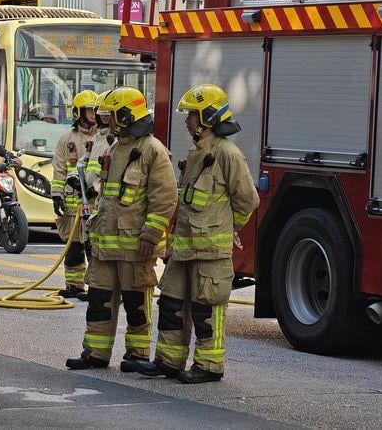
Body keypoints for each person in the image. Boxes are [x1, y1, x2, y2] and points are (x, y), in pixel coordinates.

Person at [133, 84, 259, 384]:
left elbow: (247, 200)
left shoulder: (228, 154)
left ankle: (209, 366)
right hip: (183, 249)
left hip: (210, 253)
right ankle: (168, 361)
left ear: (207, 117)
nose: (187, 121)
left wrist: (229, 227)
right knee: (171, 304)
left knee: (206, 310)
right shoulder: (198, 153)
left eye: (191, 115)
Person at [66, 87, 177, 372]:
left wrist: (151, 236)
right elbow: (107, 198)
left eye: (111, 115)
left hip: (134, 247)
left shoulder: (153, 151)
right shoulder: (114, 148)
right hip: (105, 245)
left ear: (126, 116)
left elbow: (164, 198)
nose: (106, 121)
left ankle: (137, 354)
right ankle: (95, 353)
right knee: (99, 301)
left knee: (136, 304)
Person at [50, 90, 99, 299]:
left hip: (94, 204)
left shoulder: (103, 139)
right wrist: (56, 195)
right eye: (89, 110)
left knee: (93, 247)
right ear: (78, 112)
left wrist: (94, 187)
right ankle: (74, 285)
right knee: (73, 248)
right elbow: (59, 170)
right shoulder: (66, 140)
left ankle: (96, 287)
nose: (93, 114)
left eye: (95, 110)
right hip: (72, 205)